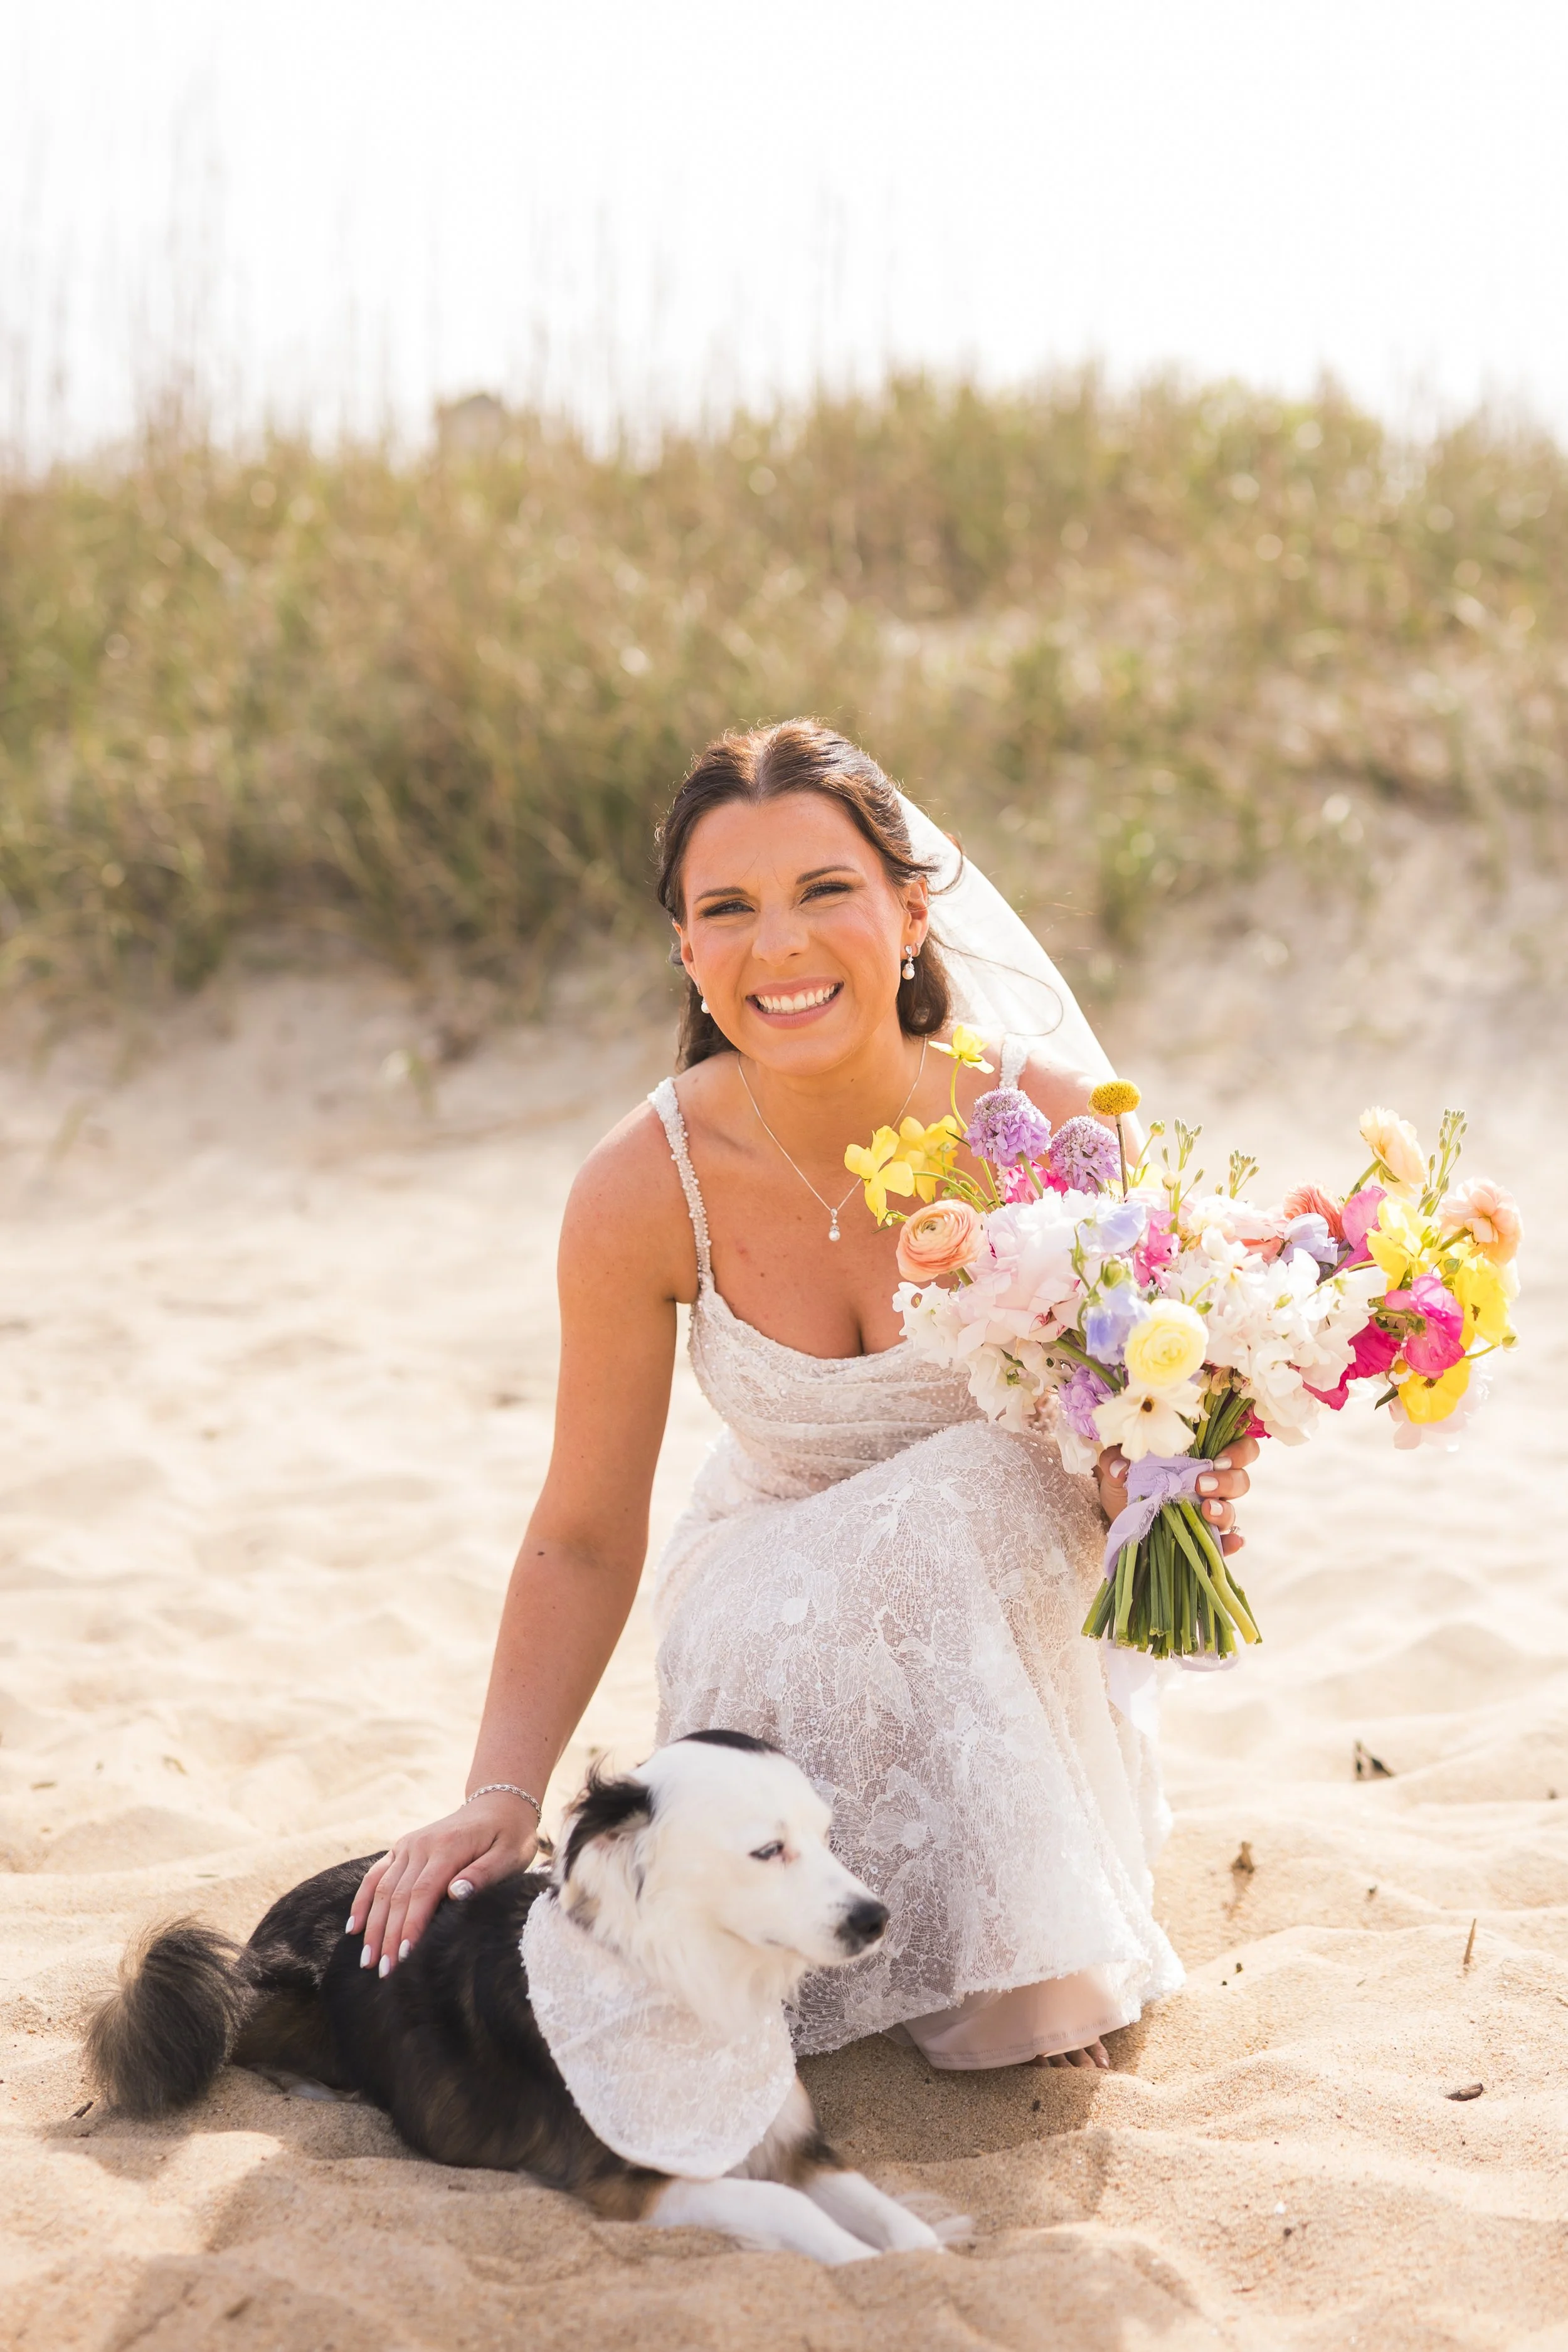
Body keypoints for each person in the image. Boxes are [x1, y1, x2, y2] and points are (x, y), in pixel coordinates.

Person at [349, 721, 1256, 2070]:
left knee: (978, 1483)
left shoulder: (1053, 1130)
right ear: (685, 953)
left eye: (823, 891)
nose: (776, 945)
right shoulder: (642, 1186)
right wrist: (501, 1792)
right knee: (946, 1507)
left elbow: (1143, 1414)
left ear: (907, 910)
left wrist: (1160, 1484)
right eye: (728, 910)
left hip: (1007, 1627)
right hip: (767, 1606)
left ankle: (1025, 1958)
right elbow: (584, 1528)